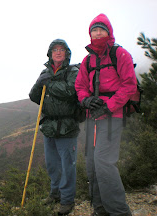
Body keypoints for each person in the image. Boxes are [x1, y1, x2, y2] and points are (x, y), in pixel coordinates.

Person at [75, 13, 136, 216]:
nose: (98, 32)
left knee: (103, 162)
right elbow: (80, 86)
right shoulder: (87, 60)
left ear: (109, 32)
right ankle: (100, 209)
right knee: (92, 164)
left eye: (101, 29)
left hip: (112, 118)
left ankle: (119, 212)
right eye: (94, 30)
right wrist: (85, 100)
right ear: (90, 34)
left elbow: (129, 86)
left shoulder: (120, 54)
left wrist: (108, 106)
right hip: (92, 118)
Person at [29, 39, 80, 215]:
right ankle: (55, 194)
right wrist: (39, 83)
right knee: (52, 164)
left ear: (67, 53)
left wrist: (49, 83)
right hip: (49, 126)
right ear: (50, 53)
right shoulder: (45, 72)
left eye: (61, 49)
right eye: (54, 50)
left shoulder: (73, 71)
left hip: (67, 125)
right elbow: (34, 96)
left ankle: (67, 200)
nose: (58, 52)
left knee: (67, 165)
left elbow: (70, 91)